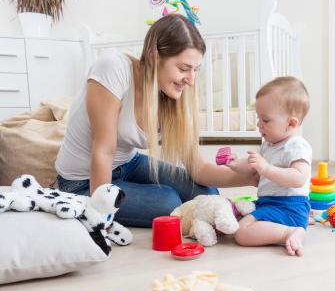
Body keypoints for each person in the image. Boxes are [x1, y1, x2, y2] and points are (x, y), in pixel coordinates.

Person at [54, 14, 255, 228]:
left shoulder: (172, 96)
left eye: (195, 70)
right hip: (81, 181)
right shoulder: (113, 69)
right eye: (183, 69)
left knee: (207, 193)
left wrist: (252, 178)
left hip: (127, 165)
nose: (191, 80)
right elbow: (103, 151)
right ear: (153, 57)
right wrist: (100, 214)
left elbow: (200, 169)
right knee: (168, 202)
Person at [227, 76, 312, 256]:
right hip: (270, 203)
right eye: (259, 118)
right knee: (233, 215)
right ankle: (284, 227)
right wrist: (235, 164)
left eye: (266, 120)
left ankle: (289, 232)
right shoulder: (270, 144)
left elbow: (298, 178)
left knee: (241, 232)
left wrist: (266, 168)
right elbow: (252, 167)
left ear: (291, 123)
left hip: (288, 206)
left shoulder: (296, 146)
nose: (259, 124)